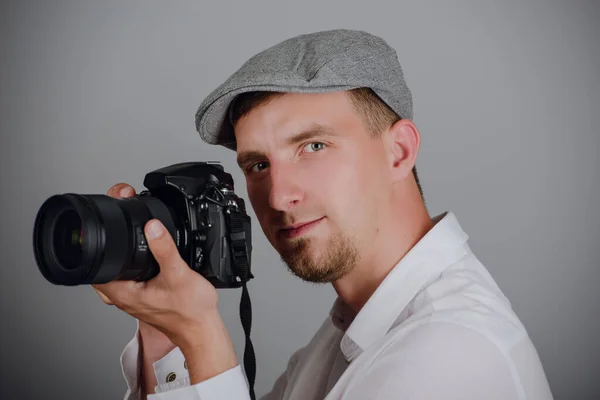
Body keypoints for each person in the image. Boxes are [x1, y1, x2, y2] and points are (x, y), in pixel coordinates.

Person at [93, 29, 554, 399]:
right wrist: (162, 329)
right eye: (258, 165)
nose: (278, 196)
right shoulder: (347, 333)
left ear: (399, 151)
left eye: (313, 147)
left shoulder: (450, 353)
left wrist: (200, 333)